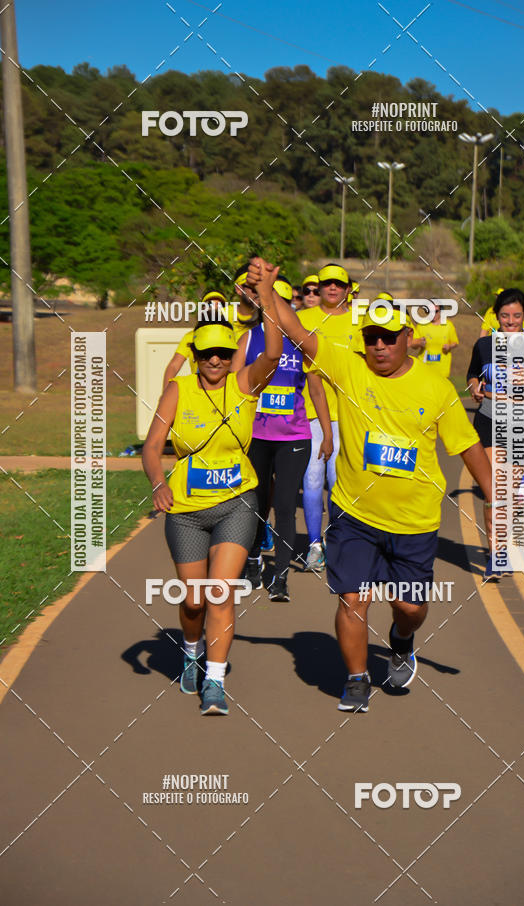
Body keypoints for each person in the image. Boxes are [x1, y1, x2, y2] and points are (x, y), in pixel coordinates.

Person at [265, 258, 493, 713]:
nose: (381, 346)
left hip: (414, 521)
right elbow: (297, 332)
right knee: (353, 599)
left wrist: (496, 496)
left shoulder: (435, 387)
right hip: (355, 513)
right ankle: (355, 679)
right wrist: (270, 291)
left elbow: (466, 446)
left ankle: (402, 641)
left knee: (409, 608)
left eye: (390, 337)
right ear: (363, 340)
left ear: (408, 337)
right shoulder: (348, 369)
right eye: (372, 338)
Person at [142, 264, 282, 715]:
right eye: (208, 355)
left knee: (221, 592)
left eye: (223, 353)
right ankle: (190, 649)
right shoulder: (178, 391)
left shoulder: (245, 386)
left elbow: (275, 353)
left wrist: (266, 297)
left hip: (237, 504)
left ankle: (215, 682)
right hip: (185, 509)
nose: (216, 361)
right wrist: (158, 483)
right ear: (196, 355)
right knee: (194, 598)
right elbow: (151, 447)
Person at [467, 289, 524, 574]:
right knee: (493, 490)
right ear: (496, 316)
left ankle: (504, 547)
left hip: (521, 420)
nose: (510, 321)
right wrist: (475, 388)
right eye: (505, 315)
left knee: (508, 491)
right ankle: (496, 554)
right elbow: (473, 374)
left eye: (516, 315)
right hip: (488, 418)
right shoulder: (484, 345)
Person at [235, 276, 312, 601]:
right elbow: (233, 384)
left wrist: (325, 432)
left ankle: (279, 578)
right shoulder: (248, 339)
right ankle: (252, 562)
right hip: (256, 436)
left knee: (284, 505)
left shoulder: (302, 344)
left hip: (294, 435)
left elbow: (317, 388)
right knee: (256, 504)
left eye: (280, 307)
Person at [298, 264, 359, 571]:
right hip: (310, 414)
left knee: (338, 483)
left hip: (350, 415)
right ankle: (314, 545)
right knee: (312, 480)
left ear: (348, 288)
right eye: (326, 284)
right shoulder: (303, 319)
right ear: (318, 288)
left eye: (339, 283)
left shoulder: (359, 321)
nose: (333, 288)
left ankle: (337, 541)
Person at [410, 303, 459, 378]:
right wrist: (419, 343)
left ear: (440, 311)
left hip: (442, 370)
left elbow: (455, 342)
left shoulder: (448, 325)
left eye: (436, 311)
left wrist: (449, 346)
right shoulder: (421, 325)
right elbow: (412, 344)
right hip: (425, 368)